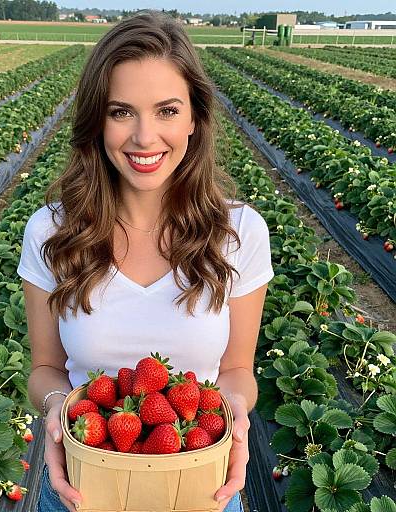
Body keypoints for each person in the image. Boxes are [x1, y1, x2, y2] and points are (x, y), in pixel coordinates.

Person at [17, 10, 274, 512]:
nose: (143, 137)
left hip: (200, 489)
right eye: (121, 112)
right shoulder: (53, 231)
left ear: (195, 118)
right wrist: (55, 408)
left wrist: (234, 407)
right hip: (82, 488)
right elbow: (46, 369)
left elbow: (237, 369)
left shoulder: (239, 234)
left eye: (167, 110)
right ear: (96, 121)